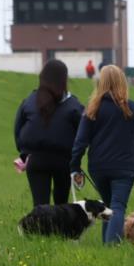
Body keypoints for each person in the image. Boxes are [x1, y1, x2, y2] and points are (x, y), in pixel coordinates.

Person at [70, 65, 134, 244]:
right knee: (117, 207)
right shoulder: (132, 108)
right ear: (122, 82)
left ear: (101, 83)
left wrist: (75, 166)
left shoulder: (92, 109)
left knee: (108, 207)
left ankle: (107, 247)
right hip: (124, 168)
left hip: (98, 168)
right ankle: (111, 247)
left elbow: (80, 141)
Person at [14, 60, 85, 206]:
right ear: (64, 79)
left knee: (40, 206)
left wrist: (24, 154)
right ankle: (59, 228)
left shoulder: (28, 101)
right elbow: (83, 133)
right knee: (61, 205)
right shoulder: (74, 105)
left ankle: (39, 229)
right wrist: (77, 159)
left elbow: (18, 129)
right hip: (64, 161)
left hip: (36, 159)